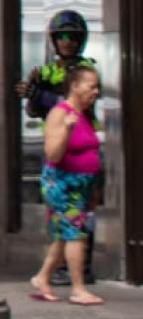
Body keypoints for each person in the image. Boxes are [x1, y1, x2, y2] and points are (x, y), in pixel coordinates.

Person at [21, 9, 98, 285]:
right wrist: (34, 92)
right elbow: (33, 110)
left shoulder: (86, 69)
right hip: (56, 149)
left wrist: (43, 94)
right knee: (60, 215)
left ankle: (80, 267)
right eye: (62, 36)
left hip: (81, 149)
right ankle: (60, 268)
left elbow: (75, 103)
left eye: (73, 36)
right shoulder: (47, 70)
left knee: (82, 213)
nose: (67, 41)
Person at [29, 65, 103, 306]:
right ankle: (78, 289)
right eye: (91, 86)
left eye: (96, 87)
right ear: (75, 86)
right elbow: (53, 153)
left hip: (82, 185)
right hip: (61, 183)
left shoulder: (85, 115)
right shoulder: (59, 113)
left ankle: (43, 277)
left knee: (64, 235)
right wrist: (67, 129)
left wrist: (93, 190)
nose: (96, 91)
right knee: (76, 234)